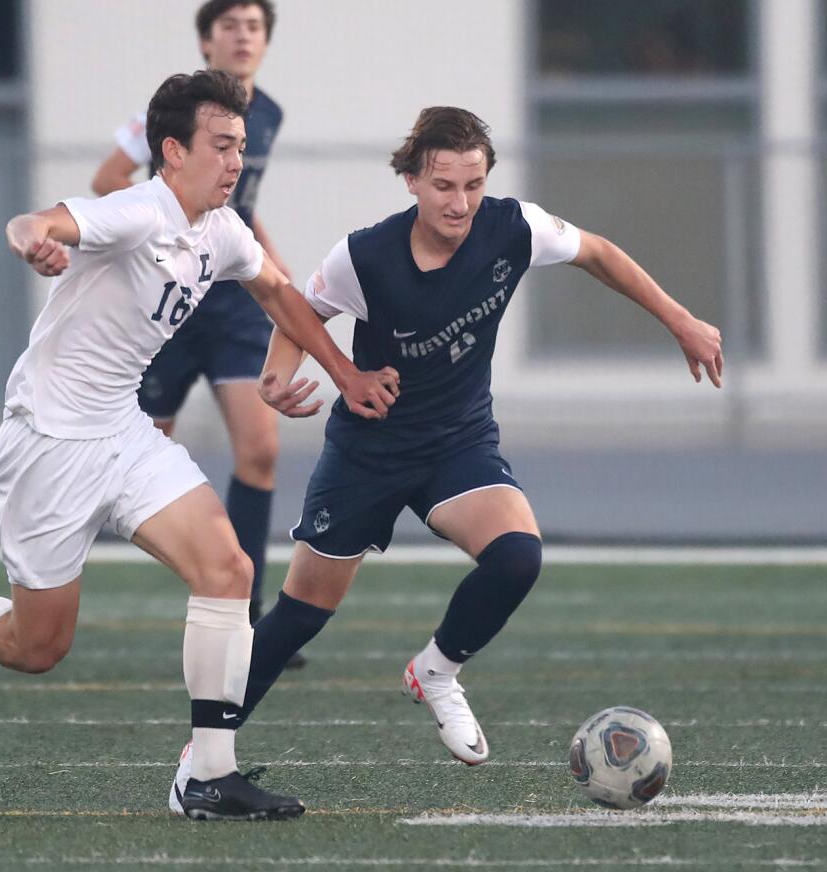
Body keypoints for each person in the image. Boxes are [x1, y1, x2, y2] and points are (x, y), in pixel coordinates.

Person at [0, 70, 398, 822]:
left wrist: (343, 373)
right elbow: (36, 222)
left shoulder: (225, 230)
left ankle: (206, 776)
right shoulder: (138, 211)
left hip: (123, 431)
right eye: (221, 146)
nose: (237, 161)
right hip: (48, 443)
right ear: (171, 151)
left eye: (241, 146)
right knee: (36, 646)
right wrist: (34, 240)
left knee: (229, 568)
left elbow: (277, 293)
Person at [165, 105, 723, 804]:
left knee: (518, 555)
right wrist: (277, 377)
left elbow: (599, 254)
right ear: (410, 181)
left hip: (458, 441)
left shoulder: (513, 227)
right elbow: (298, 311)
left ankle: (436, 671)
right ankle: (205, 754)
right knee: (301, 612)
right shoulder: (364, 256)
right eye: (444, 186)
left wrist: (681, 320)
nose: (460, 203)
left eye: (473, 185)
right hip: (369, 450)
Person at [91, 1, 296, 645]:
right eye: (229, 26)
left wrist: (281, 278)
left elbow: (238, 210)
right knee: (122, 463)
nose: (242, 37)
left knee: (260, 450)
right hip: (168, 302)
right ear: (206, 41)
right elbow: (107, 178)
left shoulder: (271, 115)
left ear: (265, 43)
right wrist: (156, 232)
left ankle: (245, 610)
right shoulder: (175, 114)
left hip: (232, 303)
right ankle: (58, 580)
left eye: (253, 27)